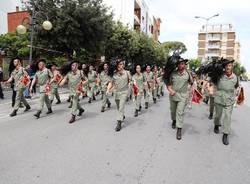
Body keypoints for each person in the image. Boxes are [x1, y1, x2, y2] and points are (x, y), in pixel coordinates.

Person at [213, 60, 239, 145]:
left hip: (229, 99)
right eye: (227, 66)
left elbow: (236, 86)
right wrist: (210, 88)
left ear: (232, 67)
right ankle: (216, 125)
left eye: (230, 65)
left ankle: (225, 134)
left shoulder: (235, 77)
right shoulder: (219, 75)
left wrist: (237, 95)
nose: (228, 67)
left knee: (228, 116)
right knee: (218, 115)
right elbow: (213, 82)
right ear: (224, 67)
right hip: (219, 98)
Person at [166, 58, 193, 140]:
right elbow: (168, 84)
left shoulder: (188, 74)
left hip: (183, 96)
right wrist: (170, 90)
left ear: (185, 65)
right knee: (173, 111)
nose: (181, 65)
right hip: (173, 95)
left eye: (183, 63)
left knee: (180, 112)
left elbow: (192, 83)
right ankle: (174, 120)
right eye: (180, 64)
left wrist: (191, 91)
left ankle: (179, 129)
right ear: (177, 65)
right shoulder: (173, 74)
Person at [106, 59, 131, 132]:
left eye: (122, 64)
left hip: (124, 92)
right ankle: (122, 115)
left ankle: (119, 122)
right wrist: (108, 90)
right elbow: (111, 82)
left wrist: (130, 83)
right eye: (119, 64)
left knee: (121, 106)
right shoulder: (114, 74)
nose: (121, 65)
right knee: (118, 107)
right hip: (116, 92)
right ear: (116, 65)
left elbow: (130, 80)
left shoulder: (127, 73)